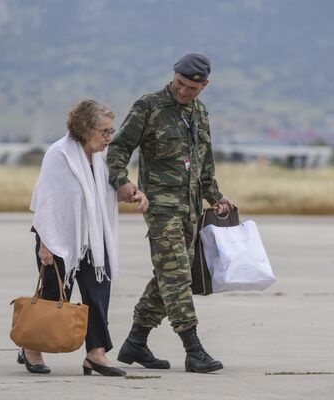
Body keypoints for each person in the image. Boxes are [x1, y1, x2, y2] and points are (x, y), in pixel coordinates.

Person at [106, 53, 234, 373]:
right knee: (176, 272)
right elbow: (119, 148)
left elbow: (205, 163)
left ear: (204, 85)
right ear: (173, 75)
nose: (183, 92)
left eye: (191, 87)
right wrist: (121, 182)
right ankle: (193, 348)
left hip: (190, 208)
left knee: (171, 274)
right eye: (179, 84)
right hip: (160, 207)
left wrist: (214, 196)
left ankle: (136, 340)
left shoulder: (200, 112)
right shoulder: (148, 107)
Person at [18, 99, 149, 376]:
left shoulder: (99, 158)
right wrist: (45, 244)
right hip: (58, 237)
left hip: (93, 239)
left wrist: (133, 192)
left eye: (110, 131)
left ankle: (96, 353)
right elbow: (47, 202)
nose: (108, 137)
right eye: (104, 131)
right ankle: (31, 348)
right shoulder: (59, 154)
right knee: (52, 294)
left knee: (98, 291)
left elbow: (104, 194)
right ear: (85, 128)